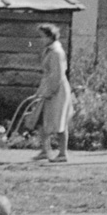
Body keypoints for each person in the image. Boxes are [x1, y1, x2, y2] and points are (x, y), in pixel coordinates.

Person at [34, 24, 72, 162]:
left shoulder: (56, 52)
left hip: (57, 91)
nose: (40, 39)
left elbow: (57, 75)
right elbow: (47, 74)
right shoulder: (48, 50)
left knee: (59, 122)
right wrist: (40, 91)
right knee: (42, 121)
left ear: (50, 36)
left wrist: (49, 91)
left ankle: (63, 154)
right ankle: (45, 150)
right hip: (48, 89)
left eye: (42, 36)